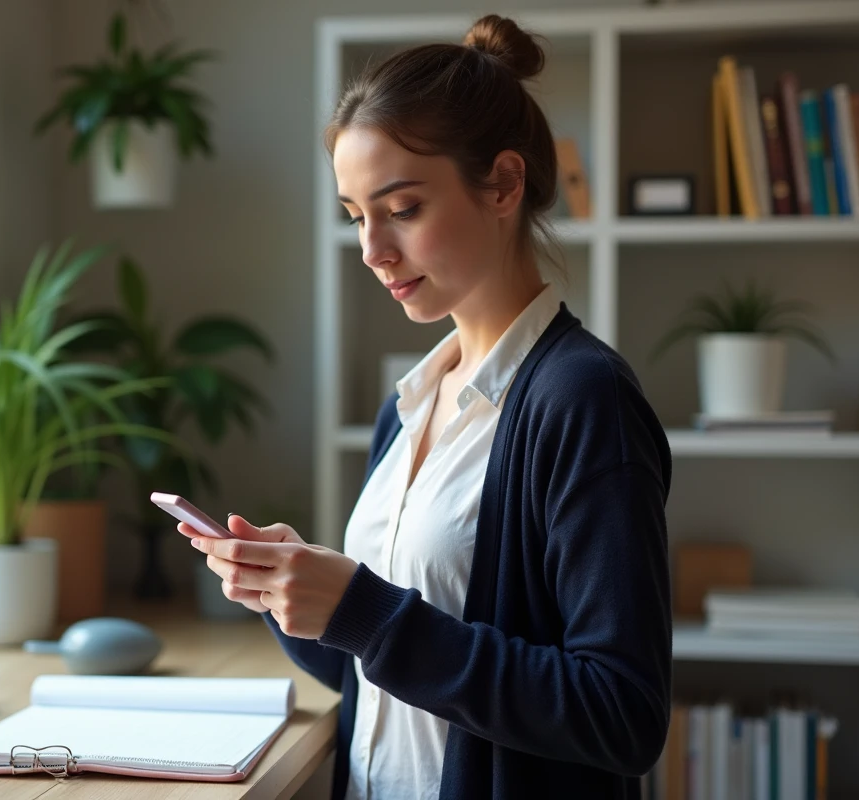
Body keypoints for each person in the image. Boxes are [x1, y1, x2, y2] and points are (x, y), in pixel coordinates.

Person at [179, 13, 672, 800]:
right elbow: (380, 679)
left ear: (504, 184)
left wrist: (368, 612)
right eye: (355, 216)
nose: (372, 248)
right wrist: (294, 597)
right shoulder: (410, 404)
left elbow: (622, 714)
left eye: (401, 208)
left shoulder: (584, 401)